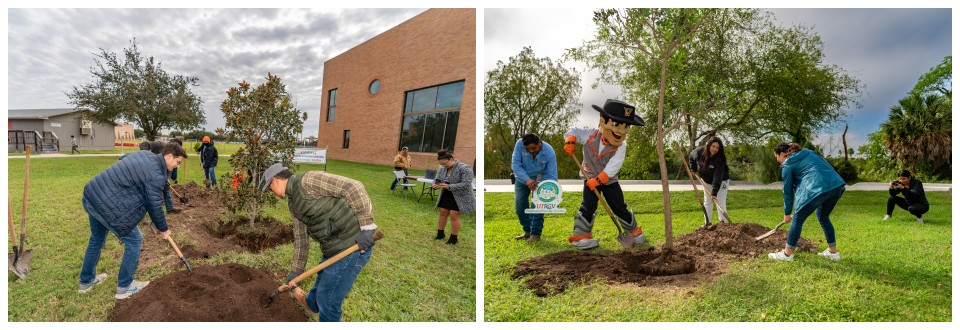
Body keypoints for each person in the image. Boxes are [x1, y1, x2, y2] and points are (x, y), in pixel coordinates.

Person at [260, 163, 377, 322]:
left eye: (269, 188)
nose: (270, 192)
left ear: (275, 180)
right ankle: (311, 304)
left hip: (353, 246)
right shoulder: (293, 203)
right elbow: (301, 238)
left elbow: (353, 186)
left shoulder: (308, 180)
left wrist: (367, 227)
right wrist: (296, 271)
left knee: (328, 301)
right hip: (333, 249)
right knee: (323, 283)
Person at [78, 143, 186, 299]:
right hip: (106, 204)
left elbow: (124, 158)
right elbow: (154, 205)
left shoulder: (146, 155)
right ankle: (125, 287)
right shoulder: (156, 174)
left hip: (92, 195)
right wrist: (164, 229)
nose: (177, 166)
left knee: (97, 238)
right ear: (169, 156)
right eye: (178, 162)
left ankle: (86, 281)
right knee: (135, 240)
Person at [563, 99, 645, 250]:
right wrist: (570, 140)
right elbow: (574, 131)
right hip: (589, 179)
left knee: (619, 206)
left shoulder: (620, 148)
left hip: (609, 182)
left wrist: (600, 180)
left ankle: (633, 232)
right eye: (616, 125)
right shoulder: (589, 135)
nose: (621, 131)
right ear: (603, 121)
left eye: (626, 126)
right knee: (588, 205)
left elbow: (613, 166)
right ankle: (581, 236)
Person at [768, 143, 845, 262]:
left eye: (776, 157)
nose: (777, 160)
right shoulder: (809, 152)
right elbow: (825, 166)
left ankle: (786, 255)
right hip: (835, 185)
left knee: (797, 217)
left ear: (783, 154)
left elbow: (787, 192)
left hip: (817, 187)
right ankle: (832, 252)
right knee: (823, 216)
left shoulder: (787, 164)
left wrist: (787, 213)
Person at [511, 133, 558, 243]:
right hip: (522, 179)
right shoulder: (519, 145)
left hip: (541, 180)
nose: (531, 150)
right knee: (520, 205)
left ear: (539, 143)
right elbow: (516, 165)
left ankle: (535, 234)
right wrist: (527, 179)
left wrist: (549, 189)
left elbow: (551, 173)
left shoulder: (549, 152)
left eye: (534, 148)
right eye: (528, 149)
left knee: (537, 206)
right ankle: (527, 231)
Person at [433, 149, 475, 244]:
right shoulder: (442, 168)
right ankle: (440, 234)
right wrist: (435, 185)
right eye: (441, 164)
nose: (443, 166)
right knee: (442, 212)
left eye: (444, 163)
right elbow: (437, 179)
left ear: (451, 159)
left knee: (454, 215)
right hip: (446, 194)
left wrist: (449, 186)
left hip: (460, 195)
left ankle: (453, 238)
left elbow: (466, 183)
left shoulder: (465, 168)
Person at [687, 136, 730, 224]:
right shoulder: (699, 152)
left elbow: (717, 177)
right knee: (707, 202)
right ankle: (707, 223)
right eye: (713, 146)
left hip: (721, 182)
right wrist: (693, 169)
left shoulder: (720, 159)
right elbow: (691, 156)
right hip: (706, 181)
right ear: (709, 145)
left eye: (717, 148)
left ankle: (723, 224)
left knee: (720, 202)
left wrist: (714, 192)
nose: (715, 149)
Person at [139, 141, 179, 214]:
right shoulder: (159, 145)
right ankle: (149, 211)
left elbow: (171, 169)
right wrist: (148, 156)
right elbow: (143, 144)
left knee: (166, 189)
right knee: (154, 192)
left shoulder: (173, 156)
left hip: (161, 173)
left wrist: (167, 179)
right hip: (150, 172)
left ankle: (170, 208)